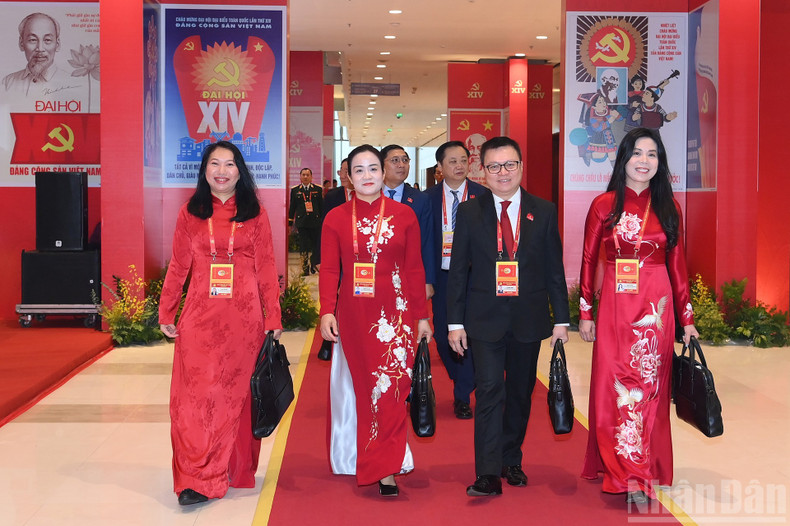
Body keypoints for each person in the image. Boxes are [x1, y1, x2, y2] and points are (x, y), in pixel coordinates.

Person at [158, 140, 283, 506]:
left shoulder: (255, 213)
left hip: (244, 321)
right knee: (194, 400)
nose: (223, 171)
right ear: (204, 170)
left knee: (235, 398)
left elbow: (266, 268)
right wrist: (167, 311)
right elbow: (179, 265)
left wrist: (272, 317)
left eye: (230, 164)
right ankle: (195, 478)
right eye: (215, 164)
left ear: (240, 171)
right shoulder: (190, 212)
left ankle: (230, 469)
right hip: (198, 319)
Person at [578, 127, 698, 504]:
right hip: (615, 301)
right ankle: (621, 468)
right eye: (637, 153)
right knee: (610, 387)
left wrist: (687, 317)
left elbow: (678, 265)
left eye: (652, 155)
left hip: (656, 305)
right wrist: (585, 311)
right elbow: (587, 259)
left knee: (650, 386)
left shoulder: (669, 206)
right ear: (624, 158)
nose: (644, 161)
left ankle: (641, 469)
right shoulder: (603, 204)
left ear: (659, 163)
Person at [447, 136, 570, 497]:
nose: (503, 173)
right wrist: (455, 322)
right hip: (483, 319)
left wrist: (561, 318)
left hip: (528, 319)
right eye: (494, 166)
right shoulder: (470, 212)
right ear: (482, 171)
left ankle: (510, 459)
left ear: (521, 166)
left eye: (510, 165)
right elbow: (457, 271)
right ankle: (486, 473)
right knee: (488, 392)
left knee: (519, 392)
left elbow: (554, 271)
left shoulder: (543, 211)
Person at [320, 144, 432, 497]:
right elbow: (329, 270)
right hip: (354, 315)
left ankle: (385, 467)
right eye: (358, 170)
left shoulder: (404, 215)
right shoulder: (336, 217)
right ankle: (369, 457)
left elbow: (415, 269)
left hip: (397, 314)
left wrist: (422, 317)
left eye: (372, 169)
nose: (366, 176)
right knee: (366, 389)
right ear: (348, 177)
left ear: (384, 173)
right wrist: (326, 310)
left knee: (393, 390)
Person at [424, 141, 487, 419]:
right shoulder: (426, 199)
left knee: (472, 334)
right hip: (442, 278)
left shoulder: (483, 196)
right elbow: (422, 243)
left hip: (476, 279)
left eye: (463, 160)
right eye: (452, 161)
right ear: (440, 166)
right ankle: (464, 378)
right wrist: (426, 279)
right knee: (441, 335)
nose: (459, 166)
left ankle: (462, 393)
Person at [381, 144, 436, 300]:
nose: (401, 165)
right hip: (376, 271)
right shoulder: (371, 195)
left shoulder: (421, 199)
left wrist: (428, 281)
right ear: (381, 164)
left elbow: (427, 241)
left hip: (408, 272)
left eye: (405, 160)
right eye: (395, 160)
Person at [3, 12, 68, 97]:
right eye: (33, 40)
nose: (40, 49)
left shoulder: (71, 82)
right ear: (21, 43)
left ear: (57, 44)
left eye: (47, 40)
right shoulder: (8, 82)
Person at [289, 167, 323, 275]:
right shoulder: (295, 190)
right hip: (302, 223)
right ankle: (305, 269)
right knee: (303, 247)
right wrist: (290, 223)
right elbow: (292, 207)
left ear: (311, 177)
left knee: (315, 246)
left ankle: (313, 265)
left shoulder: (318, 189)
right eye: (303, 175)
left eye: (307, 175)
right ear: (300, 177)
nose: (305, 177)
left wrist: (323, 221)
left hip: (315, 222)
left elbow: (321, 207)